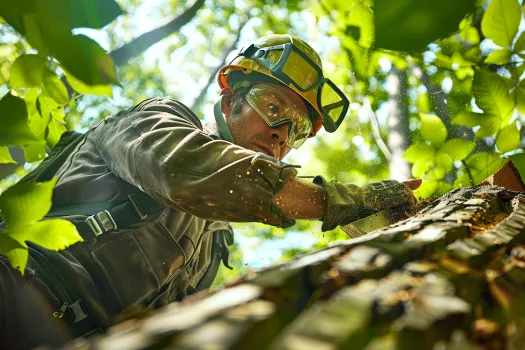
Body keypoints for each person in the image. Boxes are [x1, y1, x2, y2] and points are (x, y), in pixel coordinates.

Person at [0, 34, 421, 349]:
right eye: (273, 108)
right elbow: (187, 170)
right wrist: (349, 203)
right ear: (228, 101)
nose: (280, 133)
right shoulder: (158, 120)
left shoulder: (214, 244)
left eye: (295, 130)